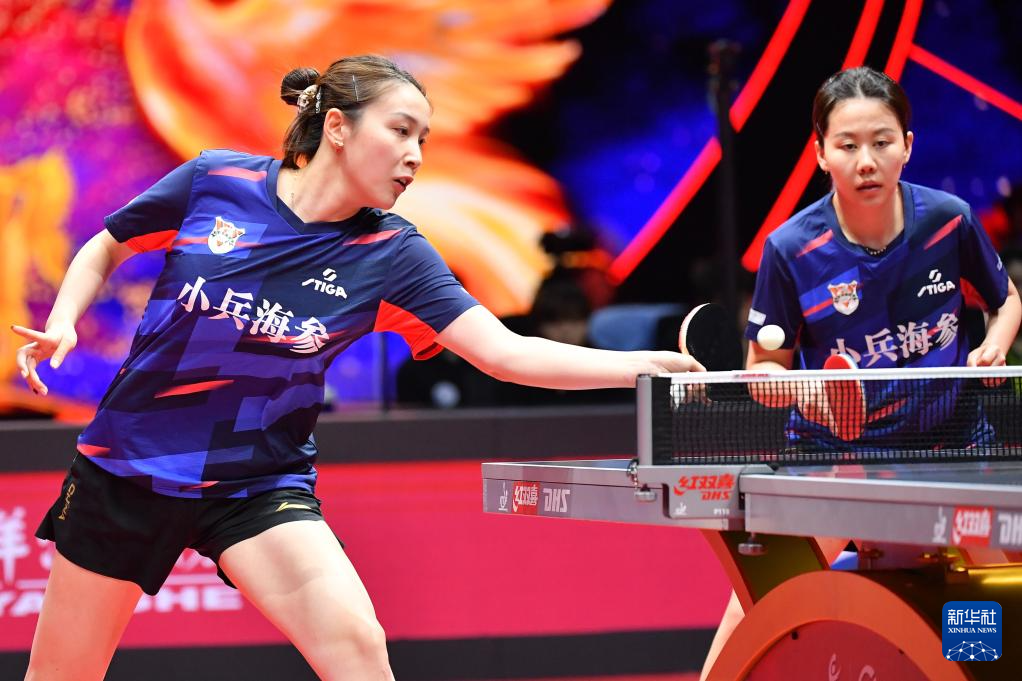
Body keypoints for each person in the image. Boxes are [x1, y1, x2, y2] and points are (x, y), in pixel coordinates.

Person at [12, 55, 703, 681]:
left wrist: (648, 367)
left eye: (423, 140)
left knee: (358, 649)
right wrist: (66, 317)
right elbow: (108, 243)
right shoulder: (217, 181)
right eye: (401, 131)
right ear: (337, 127)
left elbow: (506, 352)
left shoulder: (391, 254)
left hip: (255, 481)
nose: (415, 156)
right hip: (128, 465)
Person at [700, 66, 1021, 679]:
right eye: (847, 145)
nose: (866, 161)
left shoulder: (948, 220)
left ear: (907, 145)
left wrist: (994, 346)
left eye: (881, 141)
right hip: (834, 453)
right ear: (821, 153)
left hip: (949, 444)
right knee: (763, 603)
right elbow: (762, 369)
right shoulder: (790, 249)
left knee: (978, 593)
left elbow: (1005, 300)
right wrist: (808, 394)